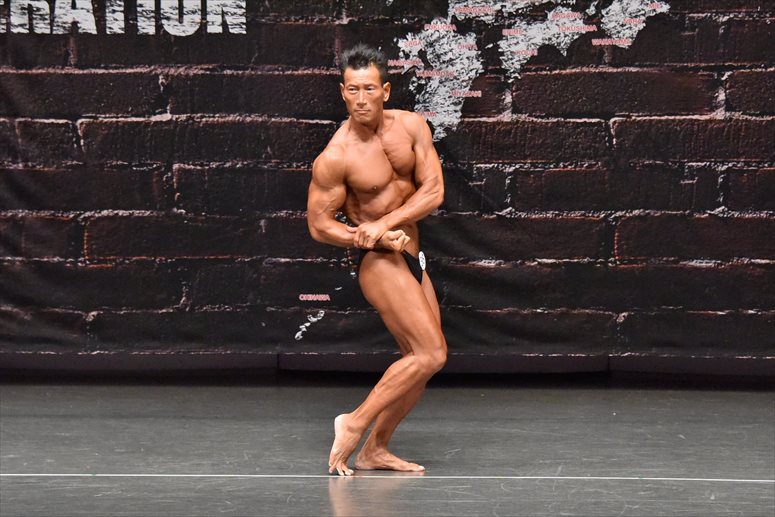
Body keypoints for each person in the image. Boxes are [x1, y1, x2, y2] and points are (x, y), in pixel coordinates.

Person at [306, 43, 448, 476]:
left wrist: (386, 221)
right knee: (431, 354)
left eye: (369, 89)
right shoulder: (337, 156)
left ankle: (375, 449)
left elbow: (434, 191)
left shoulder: (412, 126)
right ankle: (354, 422)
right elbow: (318, 225)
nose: (361, 99)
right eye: (352, 90)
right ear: (342, 93)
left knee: (417, 363)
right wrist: (363, 235)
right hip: (380, 262)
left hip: (412, 254)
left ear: (385, 90)